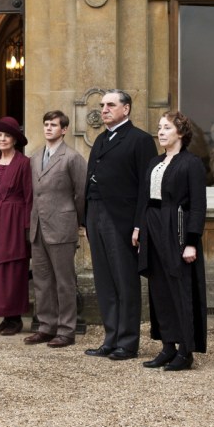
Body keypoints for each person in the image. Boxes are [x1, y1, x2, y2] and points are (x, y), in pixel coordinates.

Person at [84, 89, 157, 360]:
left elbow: (146, 188)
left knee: (125, 281)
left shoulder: (139, 140)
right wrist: (86, 219)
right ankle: (111, 338)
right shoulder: (101, 139)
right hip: (96, 215)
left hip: (122, 219)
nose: (104, 109)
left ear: (125, 109)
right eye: (102, 105)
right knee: (104, 281)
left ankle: (127, 342)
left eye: (111, 105)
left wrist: (139, 225)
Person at [139, 111, 207, 371]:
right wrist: (140, 228)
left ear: (181, 132)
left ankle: (185, 351)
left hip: (176, 228)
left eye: (167, 127)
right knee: (159, 289)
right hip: (153, 226)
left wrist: (191, 241)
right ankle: (167, 346)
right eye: (159, 127)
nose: (161, 132)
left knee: (180, 288)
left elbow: (198, 206)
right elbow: (144, 198)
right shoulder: (155, 162)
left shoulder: (191, 163)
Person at [25, 111, 86, 348]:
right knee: (42, 280)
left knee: (64, 281)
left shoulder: (72, 157)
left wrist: (78, 221)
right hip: (38, 226)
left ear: (64, 130)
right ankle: (46, 326)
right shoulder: (35, 156)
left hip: (62, 225)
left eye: (53, 125)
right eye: (46, 124)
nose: (48, 128)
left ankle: (66, 329)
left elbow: (81, 193)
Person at [0, 116, 32, 336]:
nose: (2, 139)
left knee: (13, 269)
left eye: (6, 136)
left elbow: (29, 196)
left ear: (15, 140)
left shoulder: (24, 163)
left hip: (14, 220)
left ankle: (15, 318)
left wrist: (27, 226)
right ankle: (3, 316)